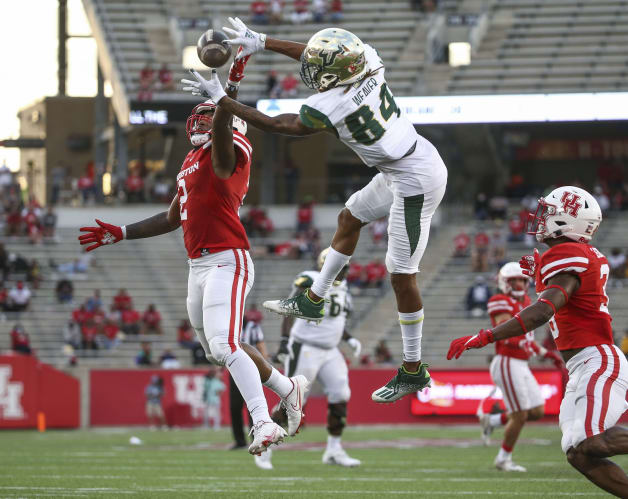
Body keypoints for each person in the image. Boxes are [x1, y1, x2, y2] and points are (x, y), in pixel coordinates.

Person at [190, 20, 448, 404]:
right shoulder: (369, 61)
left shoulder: (331, 105)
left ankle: (413, 368)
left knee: (401, 275)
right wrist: (263, 41)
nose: (310, 72)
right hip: (405, 163)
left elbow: (279, 124)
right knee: (350, 217)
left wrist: (224, 101)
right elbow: (317, 56)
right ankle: (314, 297)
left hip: (416, 180)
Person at [81, 52, 307, 457]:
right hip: (198, 264)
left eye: (208, 116)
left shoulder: (231, 150)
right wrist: (123, 232)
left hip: (227, 257)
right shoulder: (190, 159)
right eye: (199, 117)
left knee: (224, 344)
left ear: (228, 119)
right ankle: (287, 388)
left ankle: (263, 421)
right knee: (216, 348)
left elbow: (221, 137)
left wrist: (228, 92)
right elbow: (173, 216)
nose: (199, 122)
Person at [448, 186, 628, 496]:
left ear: (567, 221)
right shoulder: (575, 256)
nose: (541, 219)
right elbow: (564, 294)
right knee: (578, 452)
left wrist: (486, 336)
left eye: (549, 213)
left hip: (596, 358)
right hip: (583, 363)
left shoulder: (567, 253)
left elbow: (542, 311)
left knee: (592, 440)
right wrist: (541, 274)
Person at [269, 248, 362, 469]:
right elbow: (289, 309)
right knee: (294, 401)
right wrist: (284, 340)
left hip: (331, 349)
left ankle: (334, 449)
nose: (343, 272)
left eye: (345, 267)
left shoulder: (344, 287)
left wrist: (349, 339)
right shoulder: (310, 279)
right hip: (305, 347)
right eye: (339, 266)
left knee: (341, 394)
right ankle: (265, 441)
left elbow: (336, 320)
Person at [477, 262, 561, 471]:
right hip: (507, 360)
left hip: (521, 362)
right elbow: (506, 335)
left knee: (537, 411)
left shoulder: (526, 301)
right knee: (521, 414)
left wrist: (547, 353)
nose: (518, 283)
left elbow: (527, 339)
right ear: (504, 282)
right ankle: (503, 459)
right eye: (513, 280)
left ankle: (493, 420)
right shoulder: (499, 300)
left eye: (522, 279)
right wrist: (527, 344)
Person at [228, 315, 268, 467]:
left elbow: (261, 345)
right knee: (235, 407)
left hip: (251, 369)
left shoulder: (253, 327)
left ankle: (255, 439)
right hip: (234, 370)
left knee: (253, 405)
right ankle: (239, 441)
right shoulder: (230, 326)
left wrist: (264, 365)